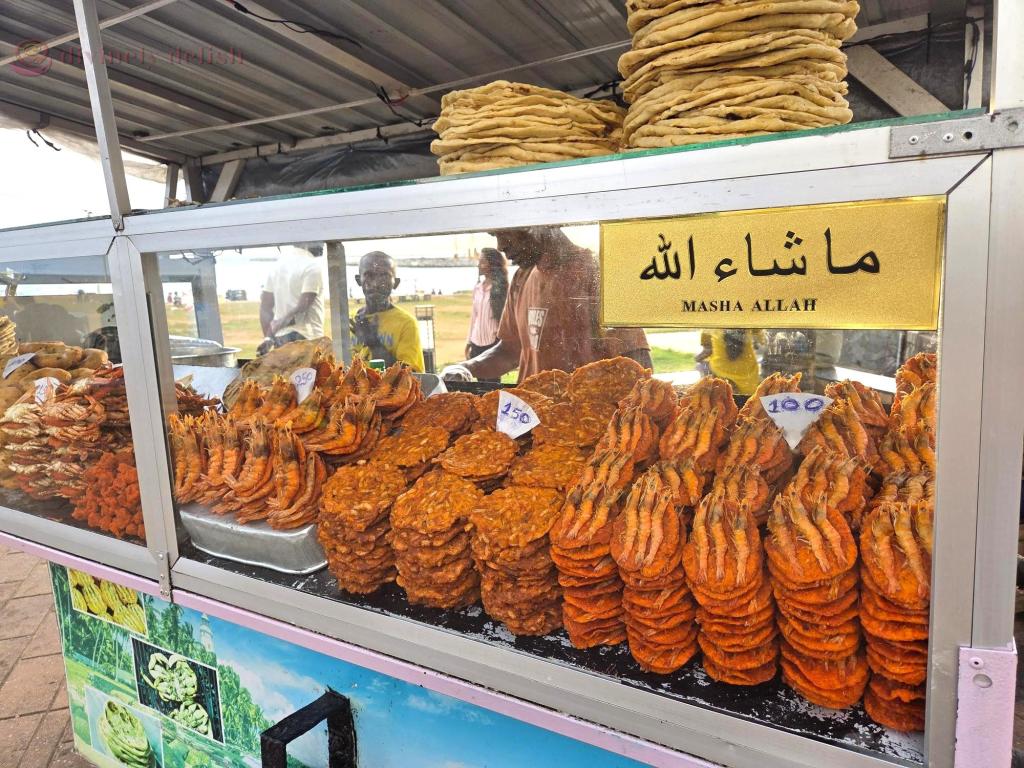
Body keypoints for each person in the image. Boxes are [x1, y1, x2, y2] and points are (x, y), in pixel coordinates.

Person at [449, 227, 651, 382]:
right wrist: (466, 367)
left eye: (506, 233)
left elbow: (637, 361)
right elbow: (509, 351)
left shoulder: (597, 275)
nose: (501, 246)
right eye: (496, 236)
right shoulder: (522, 276)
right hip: (529, 423)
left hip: (586, 424)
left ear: (544, 222)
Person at [350, 251, 425, 372]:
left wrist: (374, 344)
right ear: (359, 280)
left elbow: (411, 376)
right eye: (369, 275)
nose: (376, 283)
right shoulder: (350, 320)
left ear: (396, 282)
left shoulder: (406, 324)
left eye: (384, 276)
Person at [258, 243, 326, 355]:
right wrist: (280, 324)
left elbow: (265, 307)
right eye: (318, 240)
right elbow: (303, 306)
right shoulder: (312, 266)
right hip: (307, 338)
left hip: (281, 340)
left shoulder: (277, 266)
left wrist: (268, 338)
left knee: (284, 373)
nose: (322, 244)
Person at [465, 247, 508, 365]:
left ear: (492, 264)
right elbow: (474, 317)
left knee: (492, 382)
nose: (478, 265)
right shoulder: (477, 288)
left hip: (493, 344)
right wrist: (469, 342)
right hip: (475, 343)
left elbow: (506, 319)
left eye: (482, 261)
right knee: (478, 382)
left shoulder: (503, 289)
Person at [696, 329, 764, 395]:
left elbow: (707, 350)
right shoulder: (750, 319)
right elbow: (760, 341)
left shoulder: (711, 321)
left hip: (720, 371)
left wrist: (697, 359)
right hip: (748, 374)